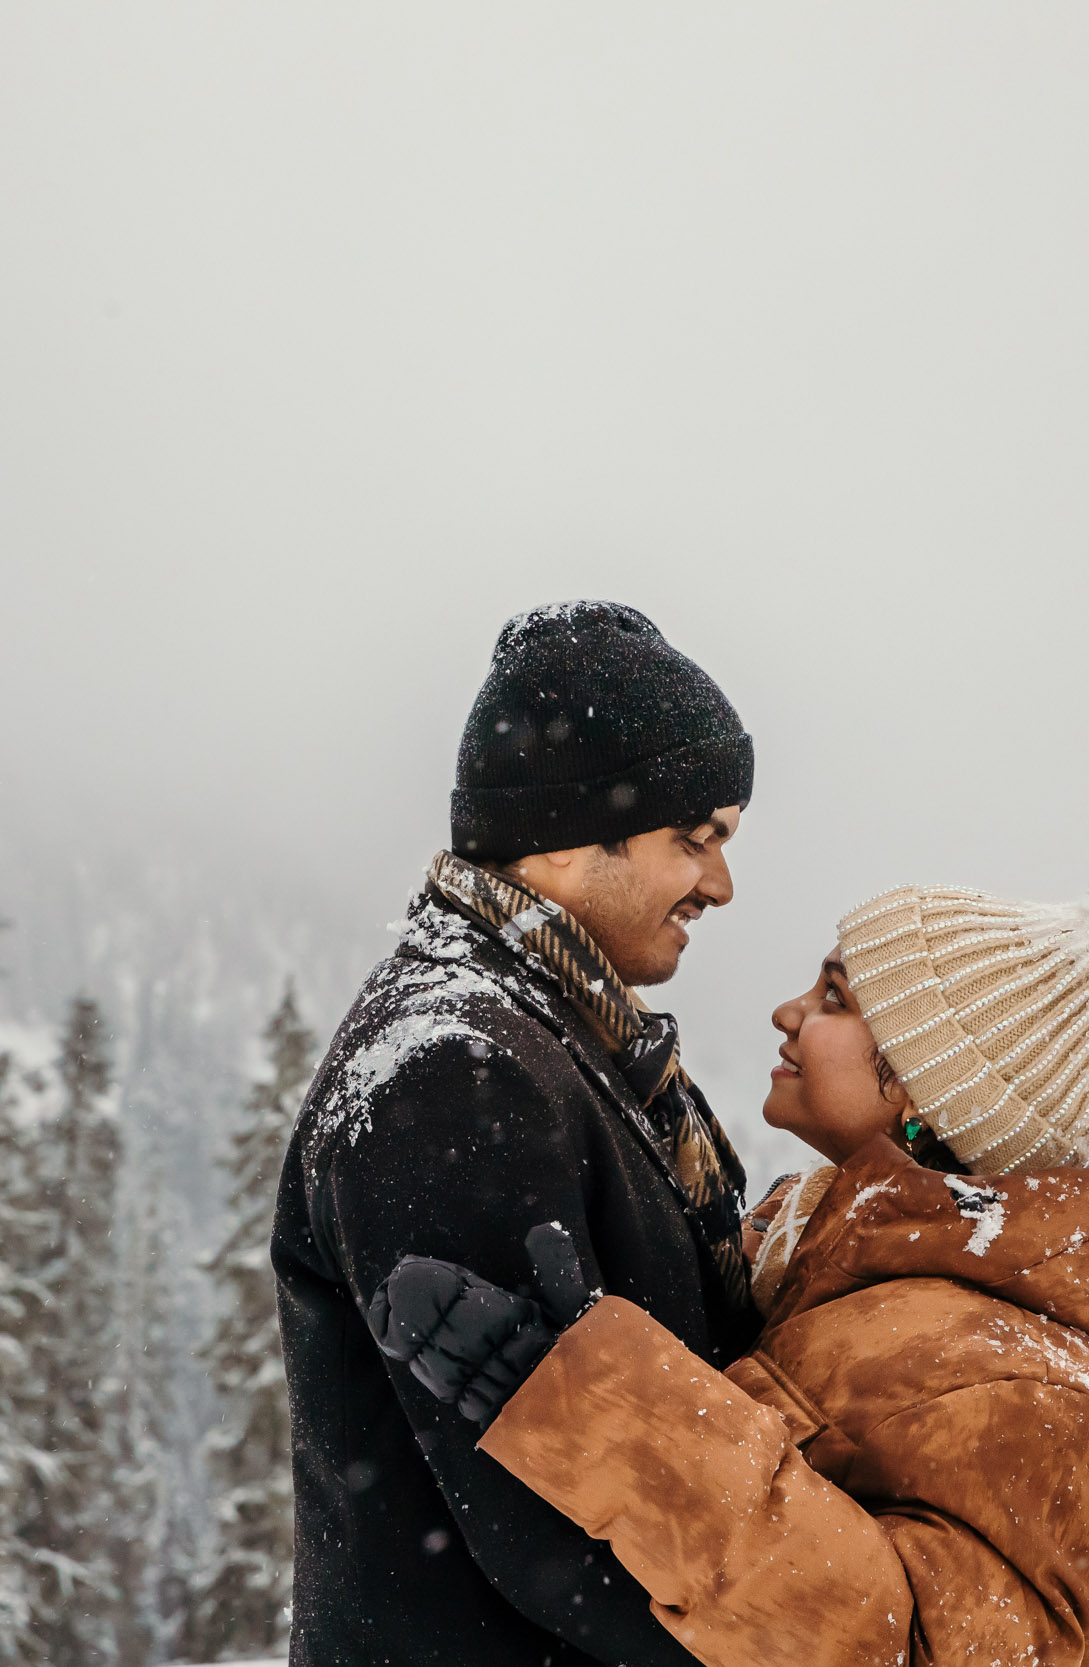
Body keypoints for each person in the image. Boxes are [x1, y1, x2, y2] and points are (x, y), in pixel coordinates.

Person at [369, 849, 1089, 1667]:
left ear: (916, 1083)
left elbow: (895, 1646)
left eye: (834, 998)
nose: (788, 1012)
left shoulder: (1079, 1421)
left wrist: (613, 1419)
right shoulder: (825, 1259)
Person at [274, 600, 762, 1667]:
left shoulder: (564, 1042)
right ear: (572, 830)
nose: (720, 884)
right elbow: (556, 1527)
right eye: (697, 837)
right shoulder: (454, 1072)